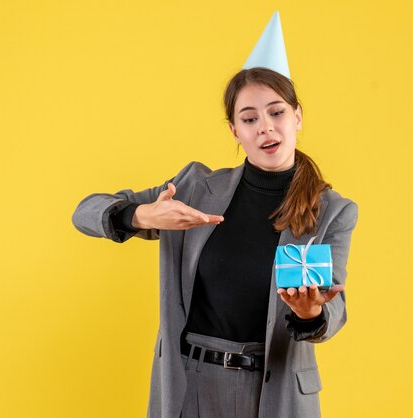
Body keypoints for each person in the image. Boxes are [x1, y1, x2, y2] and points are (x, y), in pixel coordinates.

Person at [71, 13, 358, 418]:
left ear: (297, 117)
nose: (265, 128)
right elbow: (85, 212)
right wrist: (142, 216)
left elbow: (333, 310)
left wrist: (310, 311)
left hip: (273, 393)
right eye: (249, 119)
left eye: (276, 112)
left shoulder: (332, 210)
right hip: (191, 387)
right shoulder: (194, 189)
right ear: (234, 131)